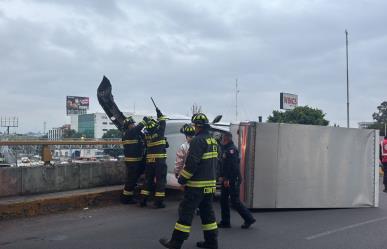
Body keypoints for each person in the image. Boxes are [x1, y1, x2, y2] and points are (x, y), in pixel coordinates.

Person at [160, 113, 219, 249]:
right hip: (210, 185)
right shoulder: (213, 140)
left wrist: (182, 179)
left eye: (194, 125)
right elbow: (217, 163)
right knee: (207, 214)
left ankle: (176, 242)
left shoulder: (198, 141)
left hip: (196, 185)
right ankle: (211, 242)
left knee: (186, 213)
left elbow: (192, 163)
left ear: (197, 126)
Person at [218, 132, 256, 229]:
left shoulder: (231, 150)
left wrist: (227, 179)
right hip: (227, 179)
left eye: (223, 138)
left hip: (232, 179)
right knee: (223, 200)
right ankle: (225, 222)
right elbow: (224, 165)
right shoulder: (225, 148)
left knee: (235, 201)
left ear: (226, 139)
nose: (221, 140)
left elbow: (233, 167)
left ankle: (249, 219)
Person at [140, 107, 168, 208]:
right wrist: (159, 112)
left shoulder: (147, 135)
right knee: (160, 181)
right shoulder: (159, 133)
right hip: (159, 161)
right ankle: (158, 202)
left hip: (149, 160)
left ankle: (143, 200)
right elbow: (163, 121)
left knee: (148, 180)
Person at [120, 116, 147, 204]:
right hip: (132, 161)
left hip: (137, 160)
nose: (133, 125)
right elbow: (137, 128)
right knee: (131, 180)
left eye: (133, 124)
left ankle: (129, 197)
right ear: (128, 126)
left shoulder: (134, 133)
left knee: (134, 179)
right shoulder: (128, 133)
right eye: (132, 124)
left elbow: (143, 136)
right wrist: (144, 121)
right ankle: (126, 199)